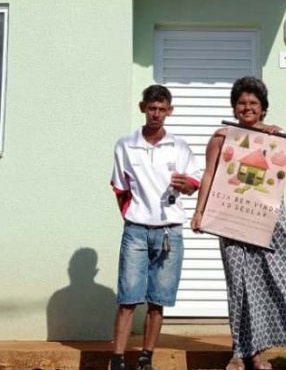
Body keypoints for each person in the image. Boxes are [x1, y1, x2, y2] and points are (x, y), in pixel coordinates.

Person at [191, 76, 286, 370]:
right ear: (234, 107)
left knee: (275, 282)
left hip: (269, 224)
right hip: (231, 221)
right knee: (239, 287)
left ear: (263, 108)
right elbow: (208, 175)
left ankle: (257, 353)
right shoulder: (221, 137)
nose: (247, 107)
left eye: (253, 103)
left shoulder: (273, 135)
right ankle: (238, 353)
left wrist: (279, 138)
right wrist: (199, 212)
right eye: (242, 102)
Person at [109, 84, 202, 370]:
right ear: (142, 108)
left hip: (169, 231)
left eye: (162, 109)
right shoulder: (125, 145)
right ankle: (118, 359)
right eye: (152, 108)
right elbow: (120, 188)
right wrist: (132, 216)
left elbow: (194, 184)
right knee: (127, 299)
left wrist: (186, 185)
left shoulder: (179, 146)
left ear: (169, 111)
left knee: (157, 301)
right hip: (136, 230)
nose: (156, 114)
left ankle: (146, 358)